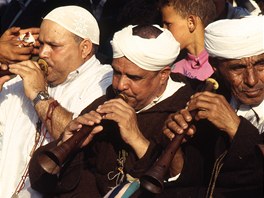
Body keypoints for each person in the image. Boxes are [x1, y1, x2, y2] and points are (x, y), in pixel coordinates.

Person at [28, 24, 196, 197]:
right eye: (116, 72)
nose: (120, 85)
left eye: (134, 77)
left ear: (163, 75)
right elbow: (47, 182)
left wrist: (136, 138)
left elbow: (183, 190)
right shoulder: (107, 101)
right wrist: (67, 144)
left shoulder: (185, 113)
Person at [0, 5, 113, 198]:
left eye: (54, 46)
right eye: (42, 44)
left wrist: (38, 94)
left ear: (84, 48)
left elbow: (77, 138)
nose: (43, 53)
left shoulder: (105, 82)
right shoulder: (23, 79)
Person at [159, 16, 263, 197]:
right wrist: (175, 153)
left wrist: (235, 128)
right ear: (215, 66)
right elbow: (194, 182)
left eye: (261, 65)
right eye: (237, 68)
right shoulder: (208, 97)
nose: (251, 80)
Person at [159, 0, 216, 81]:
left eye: (168, 24)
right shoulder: (172, 67)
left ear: (191, 22)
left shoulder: (219, 66)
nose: (164, 30)